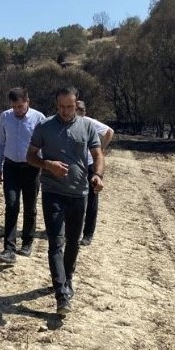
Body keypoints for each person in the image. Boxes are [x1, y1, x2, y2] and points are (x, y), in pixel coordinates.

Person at [26, 87, 104, 316]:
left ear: (76, 103)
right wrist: (48, 165)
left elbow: (98, 155)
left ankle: (67, 278)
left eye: (70, 106)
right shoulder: (45, 126)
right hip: (52, 192)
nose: (65, 111)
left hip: (79, 194)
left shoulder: (87, 126)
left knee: (73, 242)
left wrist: (97, 175)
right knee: (55, 242)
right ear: (56, 104)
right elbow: (30, 156)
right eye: (61, 106)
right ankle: (61, 293)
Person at [0, 87, 45, 264]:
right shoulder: (5, 117)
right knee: (12, 205)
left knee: (30, 207)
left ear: (27, 102)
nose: (18, 110)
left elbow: (45, 145)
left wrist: (45, 167)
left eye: (21, 106)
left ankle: (27, 242)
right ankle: (9, 248)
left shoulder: (39, 118)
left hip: (31, 168)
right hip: (10, 167)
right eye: (14, 107)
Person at [75, 100, 114, 247]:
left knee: (92, 200)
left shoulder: (89, 123)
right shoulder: (66, 122)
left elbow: (109, 132)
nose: (78, 112)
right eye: (76, 109)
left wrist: (101, 149)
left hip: (90, 165)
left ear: (85, 111)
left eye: (81, 110)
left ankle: (88, 234)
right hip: (74, 166)